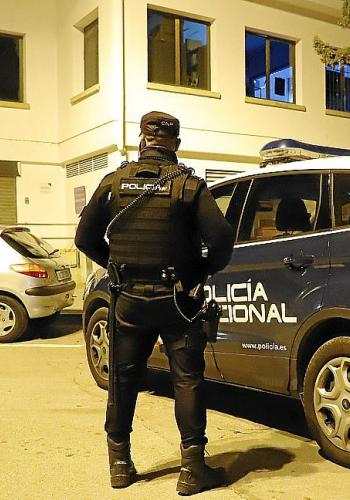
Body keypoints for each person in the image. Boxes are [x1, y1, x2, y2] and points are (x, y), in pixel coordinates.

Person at [75, 111, 235, 495]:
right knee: (187, 380)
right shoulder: (189, 185)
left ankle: (119, 465)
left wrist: (116, 267)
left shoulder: (114, 182)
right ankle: (192, 469)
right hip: (177, 300)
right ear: (175, 144)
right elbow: (222, 238)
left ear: (142, 140)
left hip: (128, 301)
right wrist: (198, 272)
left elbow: (84, 238)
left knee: (122, 379)